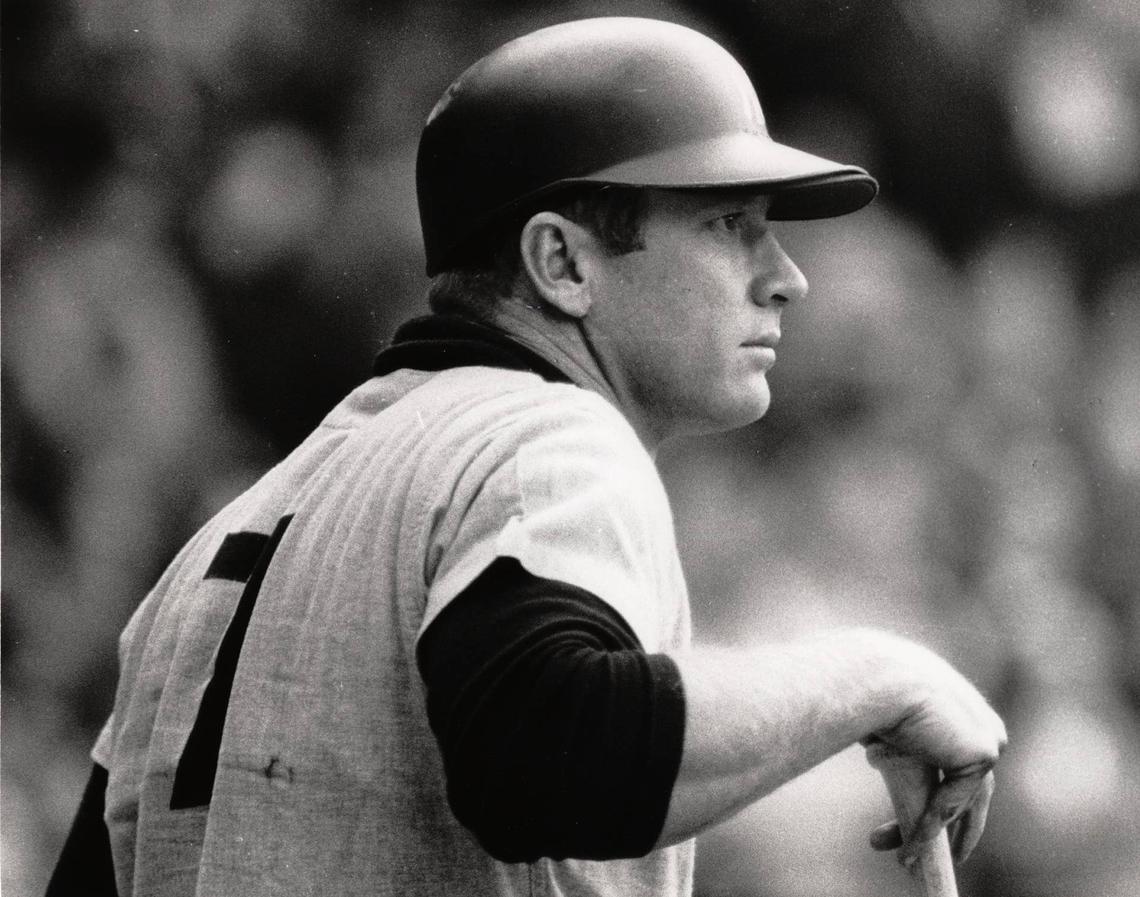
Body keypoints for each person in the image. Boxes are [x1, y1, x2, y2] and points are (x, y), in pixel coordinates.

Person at [47, 17, 1006, 897]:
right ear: (562, 264)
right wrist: (874, 676)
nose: (785, 277)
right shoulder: (545, 437)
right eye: (729, 225)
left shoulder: (234, 532)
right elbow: (547, 754)